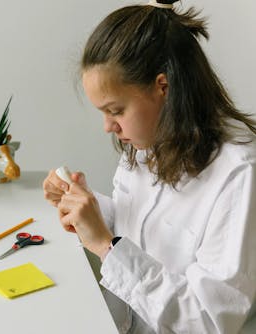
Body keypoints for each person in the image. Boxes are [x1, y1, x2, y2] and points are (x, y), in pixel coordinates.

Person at [43, 0, 256, 333]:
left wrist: (104, 245)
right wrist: (88, 208)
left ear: (163, 87)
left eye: (115, 110)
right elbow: (141, 228)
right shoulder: (147, 142)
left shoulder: (239, 173)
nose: (107, 127)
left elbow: (210, 321)